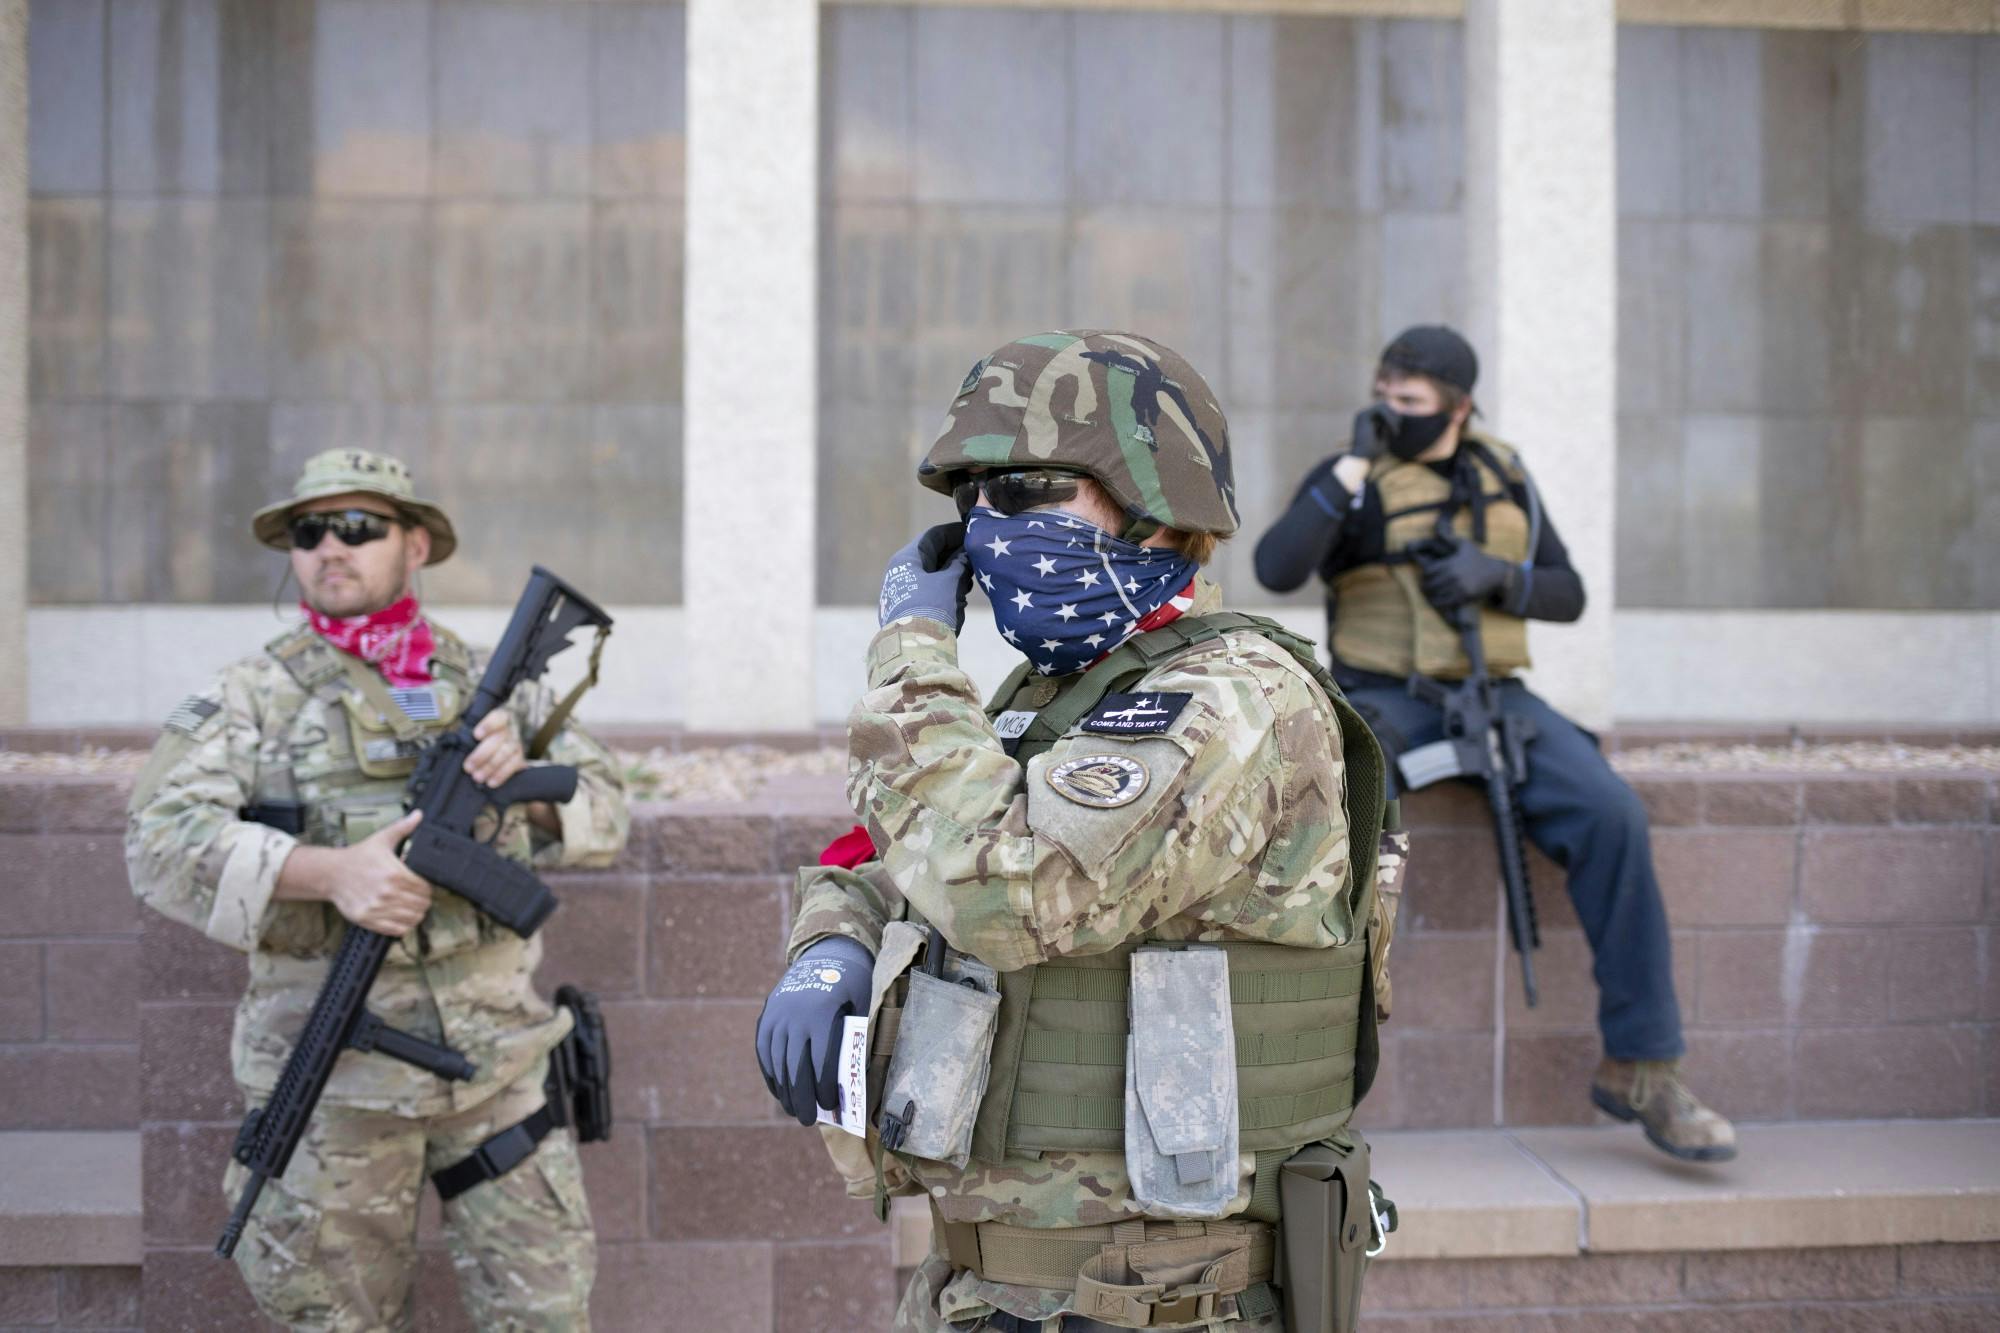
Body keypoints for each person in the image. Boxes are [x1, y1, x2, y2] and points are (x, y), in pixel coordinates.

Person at [757, 331, 1401, 1332]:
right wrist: (830, 942)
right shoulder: (1061, 692)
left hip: (1157, 1301)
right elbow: (906, 856)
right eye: (971, 498)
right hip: (991, 1288)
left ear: (1156, 502)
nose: (986, 525)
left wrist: (913, 650)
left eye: (1023, 491)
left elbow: (1006, 894)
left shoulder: (1230, 698)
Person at [126, 448, 629, 1329]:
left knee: (549, 1317)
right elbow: (159, 842)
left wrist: (519, 778)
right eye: (309, 531)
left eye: (359, 527)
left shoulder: (488, 686)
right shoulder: (251, 696)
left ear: (416, 545)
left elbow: (611, 810)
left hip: (500, 1073)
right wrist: (331, 873)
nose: (331, 546)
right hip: (335, 1088)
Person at [1253, 324, 1735, 1163]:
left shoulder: (1503, 475)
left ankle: (1644, 1064)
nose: (1388, 411)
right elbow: (1277, 565)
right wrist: (1353, 466)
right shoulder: (1353, 480)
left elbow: (1568, 593)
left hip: (1494, 697)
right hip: (1385, 698)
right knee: (1334, 822)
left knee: (1612, 812)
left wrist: (1499, 576)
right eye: (1382, 395)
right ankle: (1287, 1075)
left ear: (1458, 407)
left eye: (1408, 401)